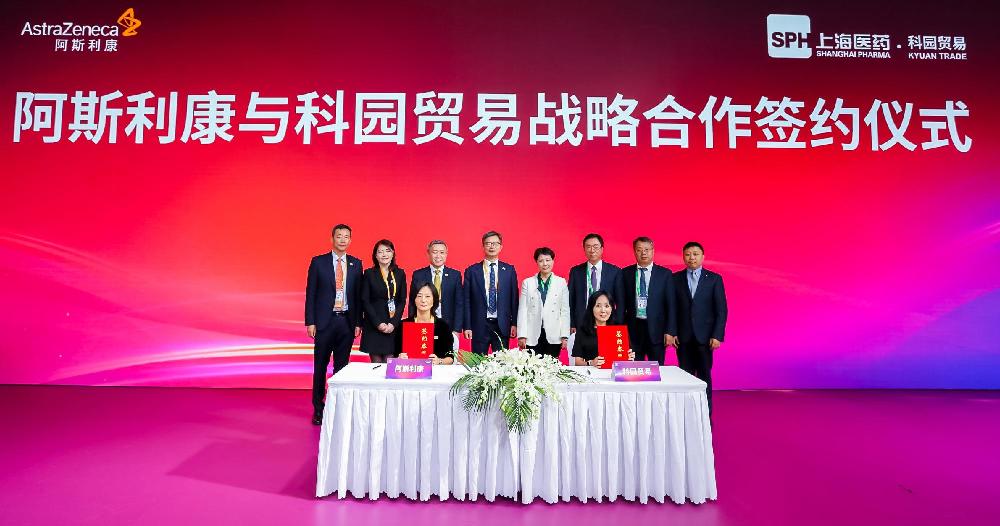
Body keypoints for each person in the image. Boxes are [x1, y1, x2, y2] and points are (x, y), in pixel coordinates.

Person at [305, 224, 363, 425]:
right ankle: (318, 408)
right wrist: (310, 321)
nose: (342, 240)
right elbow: (311, 293)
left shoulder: (356, 264)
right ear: (332, 239)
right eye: (339, 236)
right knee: (320, 366)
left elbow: (357, 296)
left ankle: (337, 407)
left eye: (346, 237)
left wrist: (358, 322)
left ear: (350, 240)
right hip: (324, 322)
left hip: (346, 322)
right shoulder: (318, 262)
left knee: (341, 368)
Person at [673, 241, 728, 415]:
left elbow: (721, 310)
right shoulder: (675, 279)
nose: (692, 258)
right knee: (685, 377)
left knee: (704, 376)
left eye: (695, 254)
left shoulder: (714, 279)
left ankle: (705, 413)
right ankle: (686, 413)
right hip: (683, 337)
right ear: (683, 257)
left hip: (705, 338)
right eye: (688, 254)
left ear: (703, 257)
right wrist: (672, 332)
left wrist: (717, 335)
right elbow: (672, 308)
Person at [620, 236, 678, 365]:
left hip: (657, 330)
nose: (643, 253)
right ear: (634, 252)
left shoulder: (665, 274)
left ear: (653, 251)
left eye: (647, 249)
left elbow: (671, 305)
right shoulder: (625, 273)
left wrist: (670, 331)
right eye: (639, 250)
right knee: (634, 368)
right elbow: (621, 303)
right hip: (633, 330)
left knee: (657, 368)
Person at [463, 230, 518, 355]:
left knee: (501, 363)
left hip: (502, 325)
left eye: (495, 243)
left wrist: (514, 323)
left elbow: (514, 299)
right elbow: (466, 300)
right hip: (479, 325)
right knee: (478, 363)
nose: (491, 246)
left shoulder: (509, 270)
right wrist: (467, 326)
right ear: (483, 246)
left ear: (501, 247)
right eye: (488, 243)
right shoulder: (472, 271)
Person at [516, 247, 570, 361]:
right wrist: (522, 335)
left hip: (554, 333)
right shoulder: (528, 283)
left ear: (553, 261)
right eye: (541, 261)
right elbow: (523, 310)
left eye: (548, 260)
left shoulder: (561, 282)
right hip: (532, 333)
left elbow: (565, 310)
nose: (545, 264)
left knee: (552, 366)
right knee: (532, 366)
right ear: (536, 262)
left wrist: (565, 335)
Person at [359, 240, 407, 364]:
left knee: (389, 363)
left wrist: (393, 323)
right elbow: (365, 300)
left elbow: (402, 300)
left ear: (393, 253)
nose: (384, 254)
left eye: (387, 251)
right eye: (380, 252)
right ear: (375, 255)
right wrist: (378, 323)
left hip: (392, 324)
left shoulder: (400, 273)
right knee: (376, 365)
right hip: (374, 324)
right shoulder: (369, 274)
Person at [408, 240, 463, 343]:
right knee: (424, 351)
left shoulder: (455, 275)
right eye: (434, 252)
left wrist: (457, 329)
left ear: (446, 254)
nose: (438, 256)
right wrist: (412, 325)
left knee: (446, 352)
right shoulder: (418, 275)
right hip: (424, 323)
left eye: (442, 252)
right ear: (428, 253)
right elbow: (412, 302)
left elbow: (459, 304)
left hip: (448, 325)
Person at [568, 233, 624, 331]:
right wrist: (572, 323)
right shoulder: (576, 271)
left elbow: (620, 302)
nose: (592, 250)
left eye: (595, 247)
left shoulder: (615, 271)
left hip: (606, 321)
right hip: (581, 321)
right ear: (584, 249)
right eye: (588, 247)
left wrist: (617, 323)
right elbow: (570, 300)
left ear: (602, 249)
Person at [395, 282, 456, 364]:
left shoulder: (442, 326)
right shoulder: (403, 325)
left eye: (427, 296)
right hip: (410, 369)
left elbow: (450, 357)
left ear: (434, 300)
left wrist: (439, 361)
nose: (423, 300)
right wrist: (399, 358)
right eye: (419, 296)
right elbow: (395, 353)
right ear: (414, 299)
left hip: (436, 370)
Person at [572, 290, 634, 367]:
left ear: (612, 308)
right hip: (592, 372)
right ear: (591, 308)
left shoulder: (619, 330)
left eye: (607, 306)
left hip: (615, 372)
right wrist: (591, 363)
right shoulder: (583, 330)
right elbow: (577, 362)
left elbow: (626, 356)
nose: (603, 310)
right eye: (598, 306)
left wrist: (630, 357)